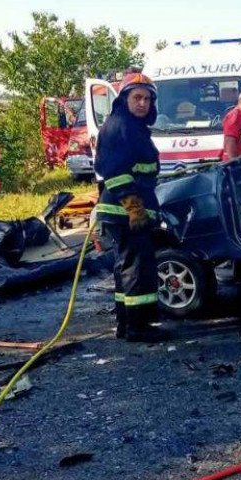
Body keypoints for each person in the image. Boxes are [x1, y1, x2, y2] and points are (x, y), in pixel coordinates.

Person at [95, 72, 168, 343]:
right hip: (125, 211)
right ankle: (139, 327)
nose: (143, 103)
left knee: (126, 266)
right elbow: (114, 171)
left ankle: (126, 323)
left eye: (147, 99)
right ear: (124, 99)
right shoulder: (118, 126)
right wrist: (134, 207)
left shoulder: (133, 127)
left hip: (128, 211)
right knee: (138, 267)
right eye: (137, 97)